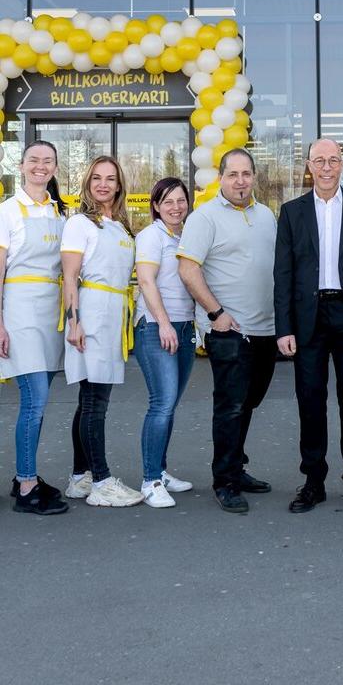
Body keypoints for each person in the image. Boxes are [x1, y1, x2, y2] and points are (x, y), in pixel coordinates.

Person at [274, 138, 343, 514]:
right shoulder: (292, 212)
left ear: (342, 165)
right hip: (307, 318)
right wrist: (284, 328)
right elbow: (284, 275)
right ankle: (313, 482)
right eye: (319, 160)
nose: (326, 167)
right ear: (309, 165)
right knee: (310, 401)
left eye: (333, 160)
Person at [178, 148, 277, 514]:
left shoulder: (266, 215)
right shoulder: (204, 218)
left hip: (266, 330)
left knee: (248, 404)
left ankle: (238, 466)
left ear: (254, 176)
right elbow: (188, 268)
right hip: (230, 332)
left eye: (246, 174)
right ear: (221, 177)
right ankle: (225, 481)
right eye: (232, 174)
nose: (240, 181)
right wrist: (215, 312)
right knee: (230, 407)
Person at [62, 156, 143, 507]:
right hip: (91, 313)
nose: (103, 184)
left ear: (119, 185)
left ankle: (80, 477)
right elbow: (69, 276)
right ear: (87, 183)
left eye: (110, 179)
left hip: (113, 316)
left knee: (88, 402)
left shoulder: (121, 226)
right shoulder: (80, 223)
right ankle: (102, 482)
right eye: (96, 178)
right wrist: (74, 321)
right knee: (96, 403)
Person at [0, 140, 68, 515]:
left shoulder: (59, 212)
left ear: (55, 168)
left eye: (48, 161)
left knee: (38, 404)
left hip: (50, 316)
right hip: (20, 313)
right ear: (22, 165)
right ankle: (27, 486)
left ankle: (23, 475)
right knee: (35, 400)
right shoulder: (7, 211)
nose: (40, 166)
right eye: (34, 160)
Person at [134, 177, 195, 508]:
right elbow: (145, 280)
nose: (175, 207)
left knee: (170, 404)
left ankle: (160, 468)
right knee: (161, 402)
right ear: (156, 206)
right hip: (157, 328)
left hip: (184, 328)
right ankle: (150, 480)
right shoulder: (150, 236)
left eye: (180, 200)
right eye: (168, 201)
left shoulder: (185, 236)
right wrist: (163, 323)